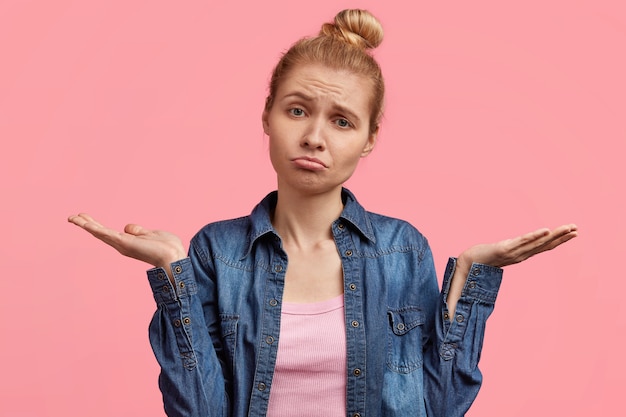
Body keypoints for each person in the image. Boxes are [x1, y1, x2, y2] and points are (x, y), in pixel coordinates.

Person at [68, 9, 577, 417]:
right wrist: (171, 271)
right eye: (296, 110)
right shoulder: (215, 252)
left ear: (370, 139)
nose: (314, 136)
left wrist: (468, 273)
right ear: (266, 115)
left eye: (341, 121)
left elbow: (440, 407)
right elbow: (199, 410)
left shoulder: (401, 249)